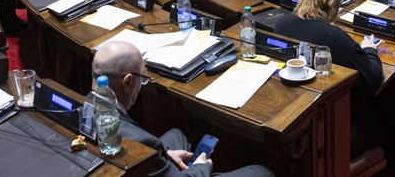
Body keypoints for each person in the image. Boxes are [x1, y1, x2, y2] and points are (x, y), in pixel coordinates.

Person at [92, 41, 274, 177]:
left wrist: (163, 155)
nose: (142, 85)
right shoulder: (141, 141)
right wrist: (201, 166)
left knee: (176, 135)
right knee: (261, 172)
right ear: (128, 82)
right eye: (142, 78)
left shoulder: (81, 107)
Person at [273, 0, 383, 158]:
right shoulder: (334, 36)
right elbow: (372, 78)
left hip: (292, 115)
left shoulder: (281, 24)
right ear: (333, 4)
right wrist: (370, 49)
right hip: (332, 130)